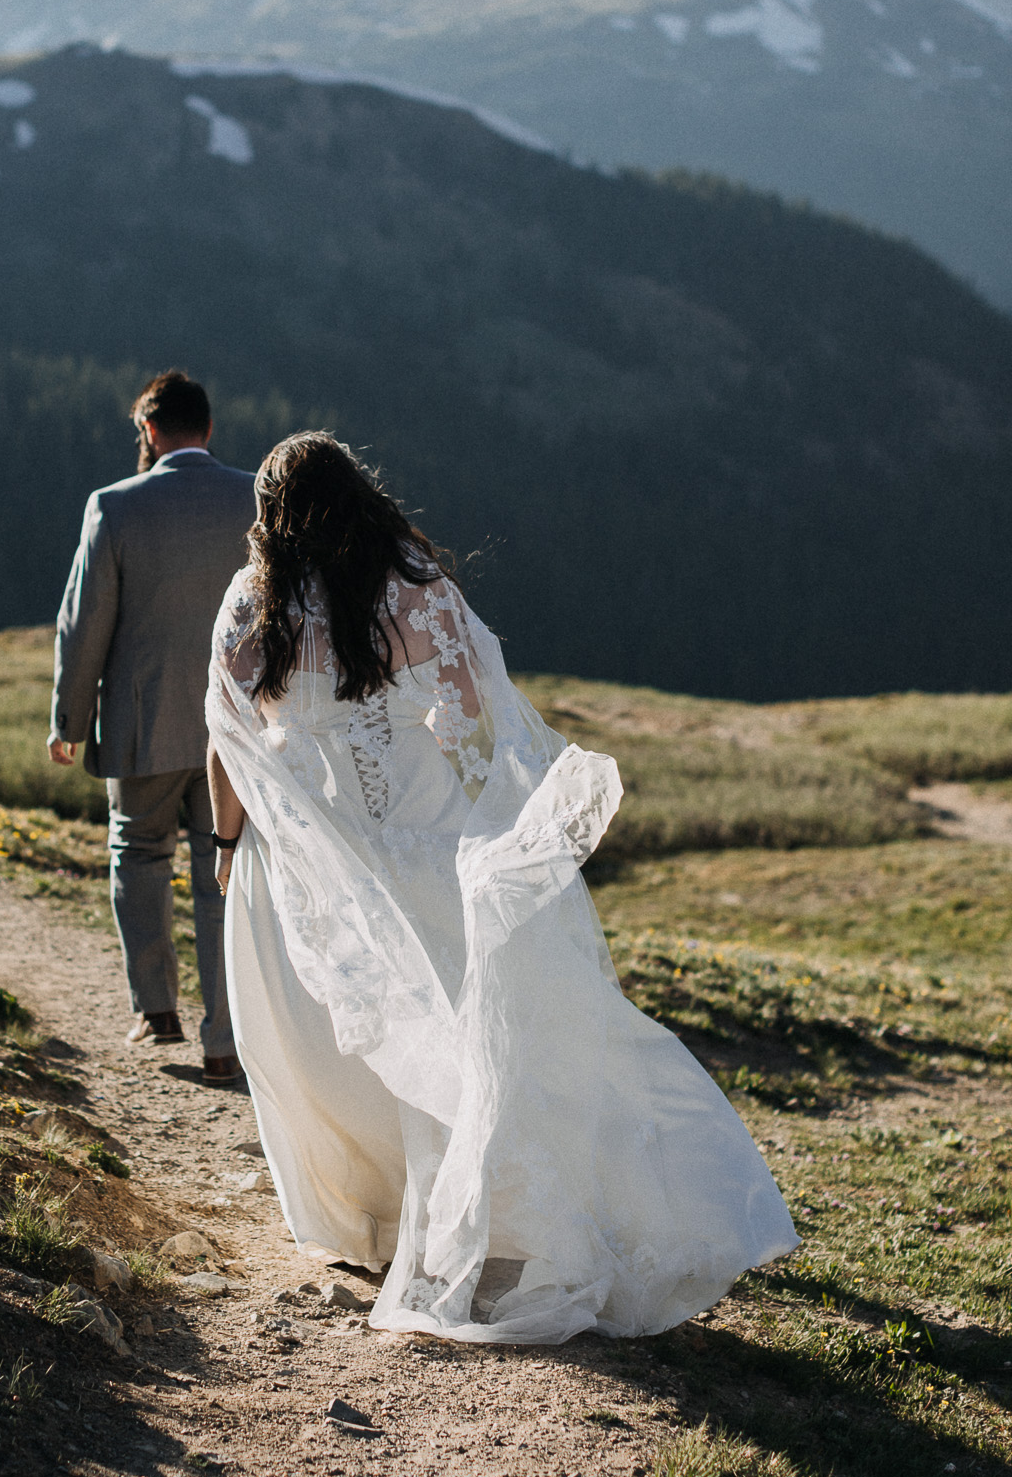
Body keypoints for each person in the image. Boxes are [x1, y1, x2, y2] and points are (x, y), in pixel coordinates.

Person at [205, 432, 797, 1344]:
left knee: (324, 1042)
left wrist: (227, 842)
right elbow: (476, 723)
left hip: (313, 869)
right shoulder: (414, 590)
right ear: (359, 496)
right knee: (454, 1037)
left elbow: (229, 739)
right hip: (421, 856)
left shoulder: (256, 605)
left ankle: (368, 1214)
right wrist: (481, 822)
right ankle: (454, 1208)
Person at [50, 371, 256, 1083]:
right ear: (208, 429)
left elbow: (85, 624)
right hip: (237, 730)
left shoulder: (112, 506)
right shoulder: (256, 497)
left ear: (149, 431)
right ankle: (227, 1039)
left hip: (144, 721)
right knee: (222, 872)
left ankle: (156, 1010)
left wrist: (69, 719)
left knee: (137, 854)